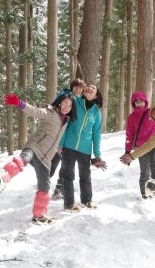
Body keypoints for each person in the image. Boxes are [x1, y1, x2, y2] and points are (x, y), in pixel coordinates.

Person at [0, 89, 77, 224]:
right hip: (35, 146)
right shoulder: (50, 112)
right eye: (64, 103)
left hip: (46, 158)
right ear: (59, 102)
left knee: (45, 188)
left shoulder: (67, 121)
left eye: (69, 106)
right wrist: (19, 103)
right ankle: (1, 176)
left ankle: (39, 215)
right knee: (22, 160)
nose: (65, 107)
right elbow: (35, 111)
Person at [59, 84, 107, 212]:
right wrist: (60, 144)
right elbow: (64, 122)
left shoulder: (96, 112)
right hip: (68, 145)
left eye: (93, 88)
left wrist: (97, 154)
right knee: (68, 174)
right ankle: (69, 203)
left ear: (96, 95)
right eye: (88, 86)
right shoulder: (74, 102)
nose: (90, 88)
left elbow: (96, 134)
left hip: (85, 148)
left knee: (85, 175)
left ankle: (87, 200)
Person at [50, 78, 86, 199]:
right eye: (76, 87)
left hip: (70, 137)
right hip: (60, 134)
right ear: (72, 87)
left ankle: (60, 187)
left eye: (80, 88)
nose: (78, 90)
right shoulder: (66, 95)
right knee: (56, 160)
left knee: (65, 164)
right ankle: (46, 179)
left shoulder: (79, 100)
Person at [125, 92, 155, 199]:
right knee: (145, 170)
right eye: (137, 102)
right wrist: (127, 151)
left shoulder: (153, 112)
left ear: (145, 102)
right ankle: (145, 193)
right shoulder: (131, 117)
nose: (140, 103)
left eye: (142, 101)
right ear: (133, 104)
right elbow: (129, 135)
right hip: (141, 147)